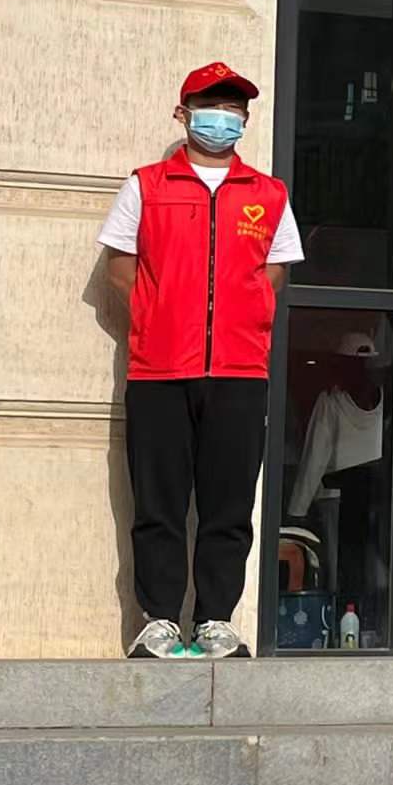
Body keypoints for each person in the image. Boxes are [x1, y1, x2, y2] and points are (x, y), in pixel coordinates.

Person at [100, 61, 303, 660]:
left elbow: (275, 271)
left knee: (229, 504)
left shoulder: (268, 194)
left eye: (234, 110)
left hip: (239, 371)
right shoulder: (146, 186)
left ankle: (216, 619)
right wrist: (159, 316)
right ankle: (159, 619)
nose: (223, 119)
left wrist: (243, 314)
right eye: (211, 108)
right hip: (160, 369)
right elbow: (120, 267)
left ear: (245, 120)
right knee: (157, 502)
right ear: (183, 114)